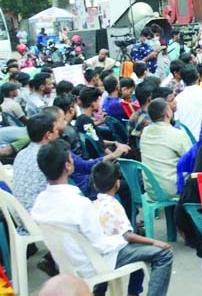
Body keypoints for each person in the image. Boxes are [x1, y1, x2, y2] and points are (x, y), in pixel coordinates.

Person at [31, 139, 173, 296]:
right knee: (163, 254)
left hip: (68, 264)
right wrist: (123, 239)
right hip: (94, 264)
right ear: (68, 165)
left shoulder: (40, 202)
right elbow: (101, 245)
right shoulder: (79, 203)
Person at [91, 161, 173, 296]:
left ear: (95, 185)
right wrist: (153, 242)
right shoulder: (113, 205)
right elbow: (128, 236)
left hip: (100, 255)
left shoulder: (94, 205)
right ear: (117, 183)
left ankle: (131, 292)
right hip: (114, 254)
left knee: (138, 249)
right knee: (164, 254)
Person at [139, 98, 193, 200]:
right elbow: (191, 160)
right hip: (172, 189)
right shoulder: (177, 134)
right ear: (168, 113)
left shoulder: (145, 132)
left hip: (151, 189)